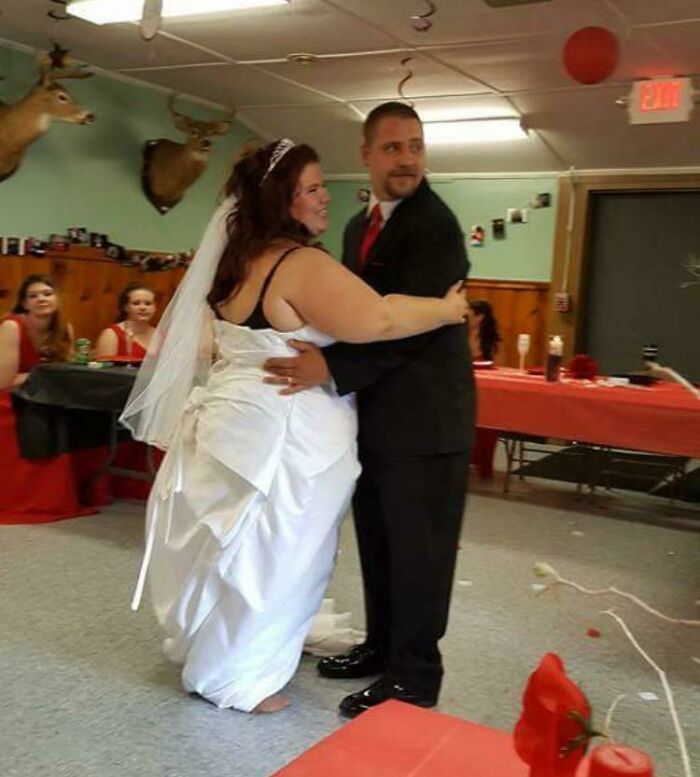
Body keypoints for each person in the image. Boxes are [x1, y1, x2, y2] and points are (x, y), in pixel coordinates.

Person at [120, 138, 469, 715]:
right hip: (286, 432)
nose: (324, 197)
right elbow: (379, 319)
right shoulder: (299, 264)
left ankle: (214, 651)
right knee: (279, 553)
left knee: (232, 546)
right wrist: (447, 309)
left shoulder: (235, 261)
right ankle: (242, 677)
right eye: (310, 188)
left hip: (235, 421)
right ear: (280, 201)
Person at [263, 103, 475, 717]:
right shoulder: (360, 226)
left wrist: (330, 367)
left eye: (416, 146)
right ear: (366, 155)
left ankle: (415, 674)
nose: (407, 159)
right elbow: (355, 312)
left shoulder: (435, 226)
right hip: (376, 417)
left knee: (420, 555)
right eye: (393, 147)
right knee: (381, 544)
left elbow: (406, 329)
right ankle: (382, 646)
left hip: (427, 422)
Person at [0, 275, 94, 524]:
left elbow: (67, 368)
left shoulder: (65, 329)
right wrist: (47, 375)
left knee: (81, 414)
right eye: (33, 296)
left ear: (57, 299)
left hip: (45, 395)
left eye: (47, 294)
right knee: (34, 419)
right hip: (10, 395)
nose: (41, 299)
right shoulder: (11, 327)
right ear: (24, 303)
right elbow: (5, 381)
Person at [468, 299, 501, 479]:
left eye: (470, 314)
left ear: (480, 317)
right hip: (465, 383)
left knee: (489, 419)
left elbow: (494, 365)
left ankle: (484, 463)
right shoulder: (460, 334)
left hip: (485, 386)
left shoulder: (490, 340)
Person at [95, 283, 157, 360]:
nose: (143, 307)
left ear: (154, 307)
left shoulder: (161, 335)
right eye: (136, 303)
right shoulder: (111, 334)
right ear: (126, 307)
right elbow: (104, 366)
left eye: (148, 304)